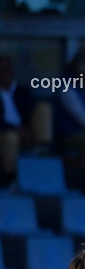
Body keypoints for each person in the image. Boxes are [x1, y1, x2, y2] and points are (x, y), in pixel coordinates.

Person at [0, 54, 52, 186]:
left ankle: (43, 148)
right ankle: (11, 178)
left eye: (8, 69)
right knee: (10, 137)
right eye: (2, 69)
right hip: (6, 133)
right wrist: (17, 130)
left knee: (43, 108)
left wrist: (27, 130)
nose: (6, 72)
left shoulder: (22, 91)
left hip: (26, 131)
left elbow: (30, 112)